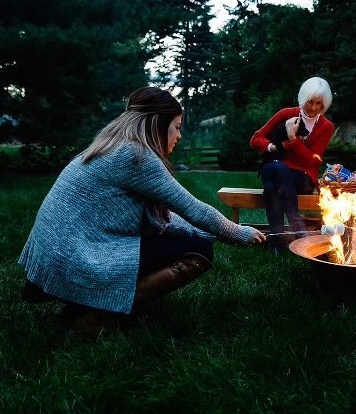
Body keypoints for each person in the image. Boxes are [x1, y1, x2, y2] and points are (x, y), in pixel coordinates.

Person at [19, 87, 266, 337]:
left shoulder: (114, 147)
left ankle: (77, 307)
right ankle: (97, 317)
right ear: (158, 124)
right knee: (197, 252)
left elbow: (168, 218)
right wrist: (237, 233)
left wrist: (217, 233)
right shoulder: (136, 156)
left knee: (191, 240)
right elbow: (192, 208)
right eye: (177, 127)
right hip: (75, 258)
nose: (179, 135)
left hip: (60, 254)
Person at [250, 77, 334, 252]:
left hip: (302, 177)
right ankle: (299, 228)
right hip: (274, 167)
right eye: (309, 101)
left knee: (272, 187)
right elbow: (256, 138)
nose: (312, 107)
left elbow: (311, 160)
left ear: (324, 105)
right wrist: (274, 147)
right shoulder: (286, 114)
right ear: (303, 98)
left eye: (318, 103)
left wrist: (293, 140)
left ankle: (277, 243)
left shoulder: (326, 126)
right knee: (279, 169)